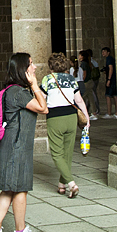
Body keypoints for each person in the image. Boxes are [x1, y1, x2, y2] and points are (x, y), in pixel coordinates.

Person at [0, 53, 47, 232]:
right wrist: (35, 84)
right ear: (23, 68)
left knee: (8, 189)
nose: (35, 67)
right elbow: (43, 108)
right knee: (20, 188)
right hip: (17, 146)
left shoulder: (12, 90)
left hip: (10, 144)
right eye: (31, 64)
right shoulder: (19, 93)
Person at [41, 53, 90, 198]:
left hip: (55, 118)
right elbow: (79, 100)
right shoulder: (70, 79)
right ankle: (62, 184)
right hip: (71, 117)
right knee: (68, 153)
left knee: (57, 154)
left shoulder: (47, 79)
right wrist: (86, 118)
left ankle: (71, 184)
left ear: (51, 66)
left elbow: (42, 99)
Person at [101, 46, 117, 118]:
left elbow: (111, 68)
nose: (103, 53)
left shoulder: (109, 59)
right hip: (113, 79)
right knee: (115, 96)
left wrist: (109, 79)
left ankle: (109, 112)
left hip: (111, 80)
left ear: (108, 52)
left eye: (104, 52)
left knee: (108, 96)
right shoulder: (111, 59)